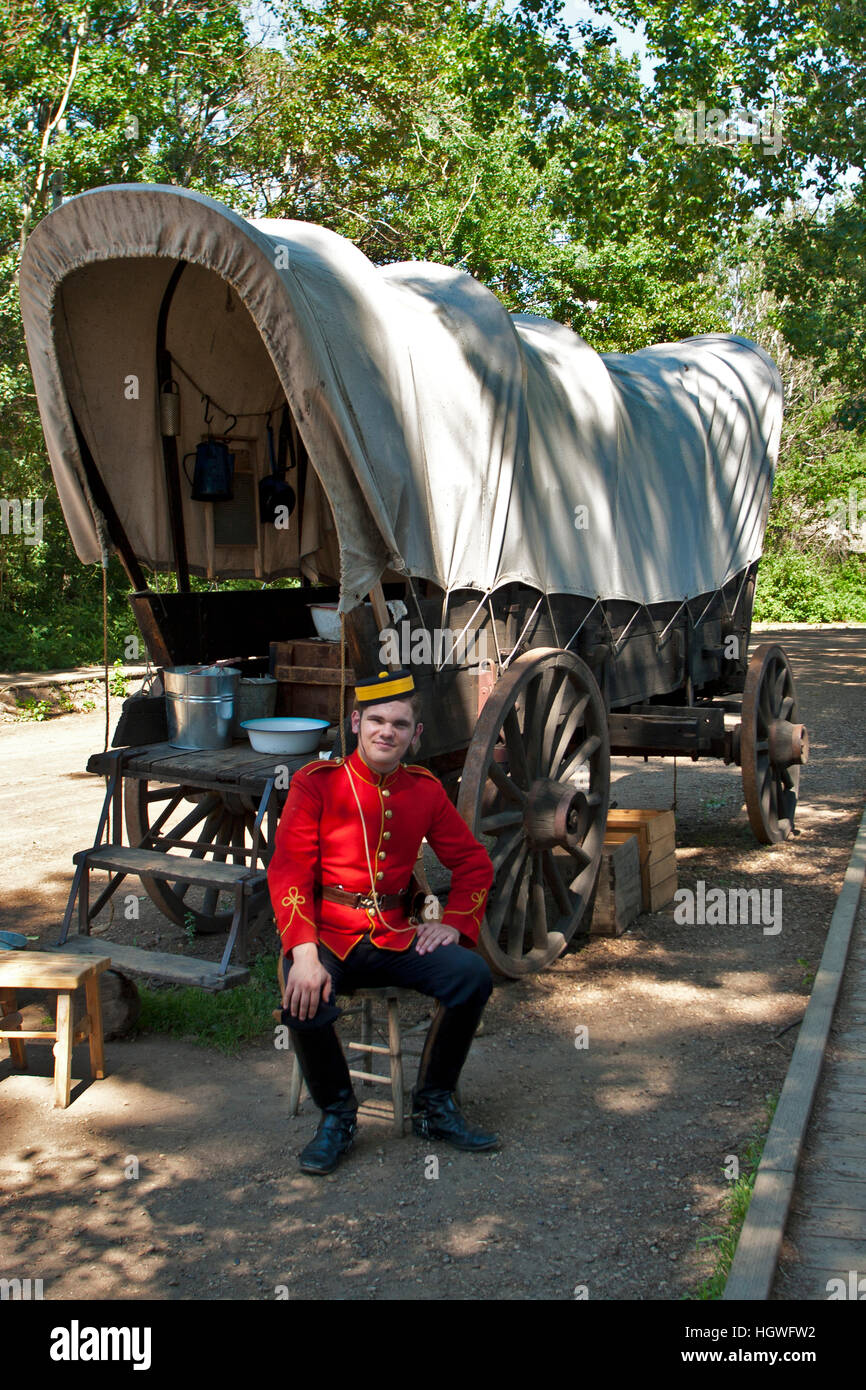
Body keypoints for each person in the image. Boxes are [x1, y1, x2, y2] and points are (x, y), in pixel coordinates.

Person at [268, 667, 497, 1175]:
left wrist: (455, 925)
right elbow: (289, 873)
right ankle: (337, 1116)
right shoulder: (316, 784)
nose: (385, 731)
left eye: (398, 723)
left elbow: (475, 865)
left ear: (414, 734)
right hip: (328, 937)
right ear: (356, 722)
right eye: (376, 720)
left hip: (396, 937)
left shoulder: (425, 790)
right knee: (302, 993)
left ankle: (434, 1107)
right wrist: (303, 954)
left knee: (471, 975)